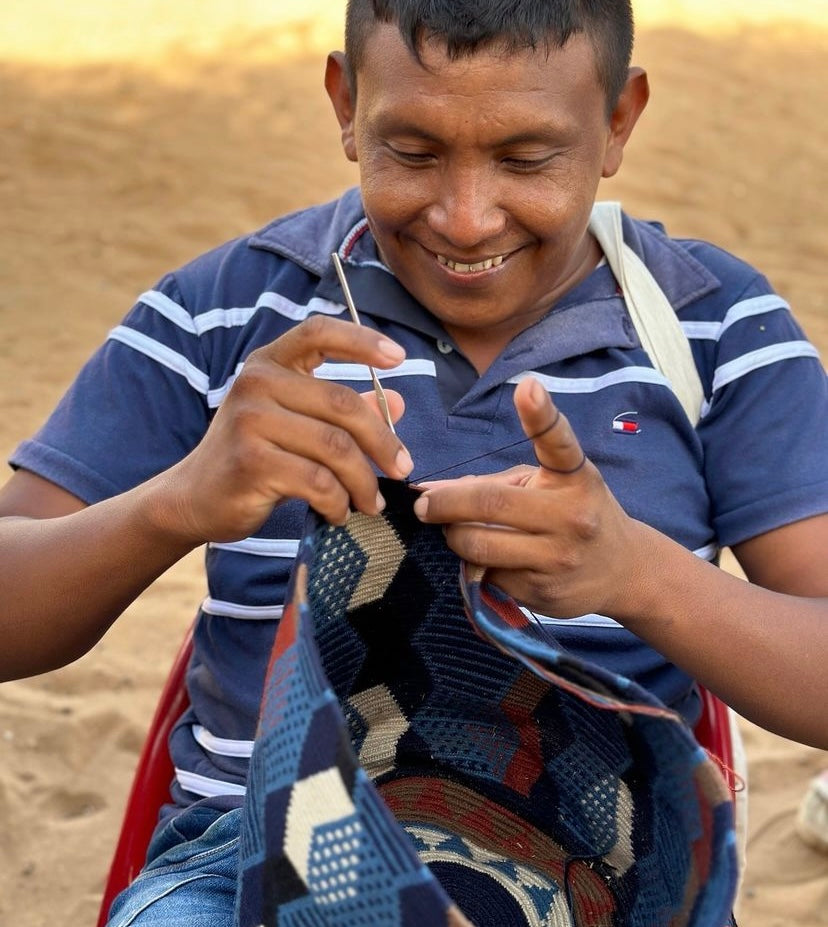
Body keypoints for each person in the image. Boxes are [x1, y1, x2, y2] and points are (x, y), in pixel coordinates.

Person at [1, 0, 827, 923]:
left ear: (618, 122)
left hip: (597, 869)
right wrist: (176, 503)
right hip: (252, 857)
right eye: (415, 152)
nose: (467, 220)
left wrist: (640, 576)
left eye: (525, 159)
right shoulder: (222, 313)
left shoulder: (716, 332)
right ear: (346, 103)